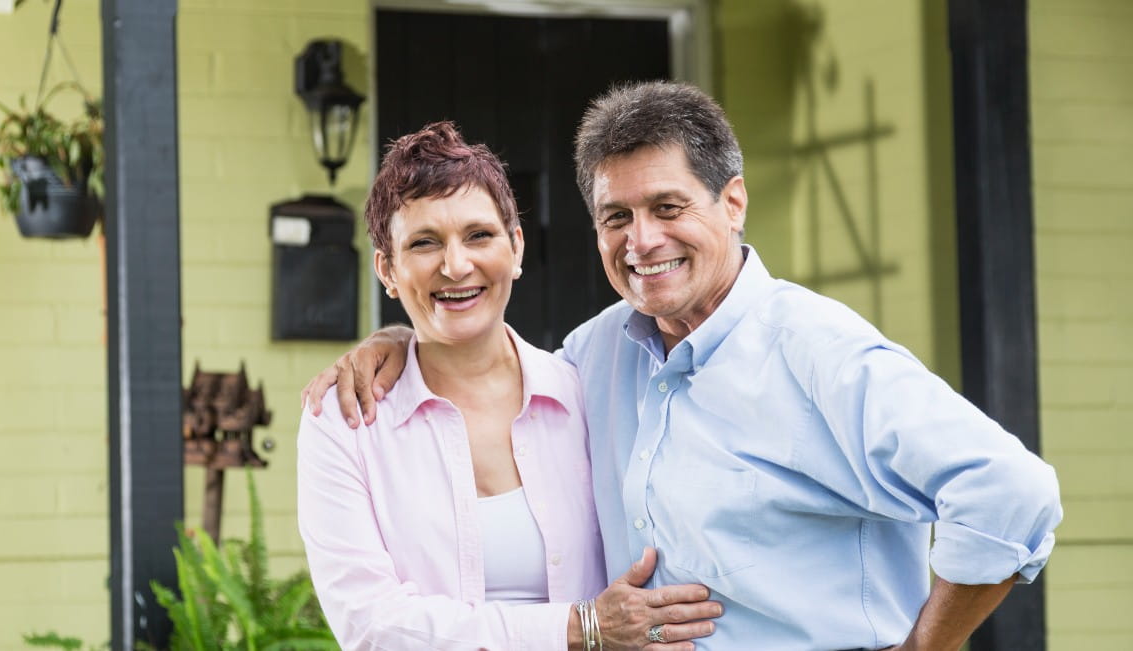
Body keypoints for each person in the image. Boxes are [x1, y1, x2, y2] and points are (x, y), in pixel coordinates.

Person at [303, 82, 1063, 650]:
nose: (642, 240)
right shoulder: (594, 360)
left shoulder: (817, 351)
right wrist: (398, 342)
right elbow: (477, 355)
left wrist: (926, 647)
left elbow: (1010, 493)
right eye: (616, 217)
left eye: (668, 208)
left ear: (732, 202)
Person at [297, 121, 722, 650]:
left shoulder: (586, 388)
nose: (456, 266)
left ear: (516, 247)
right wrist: (582, 628)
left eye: (479, 235)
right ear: (388, 268)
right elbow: (372, 626)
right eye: (425, 243)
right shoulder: (347, 422)